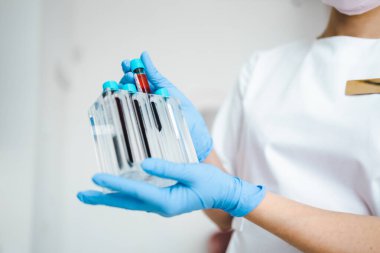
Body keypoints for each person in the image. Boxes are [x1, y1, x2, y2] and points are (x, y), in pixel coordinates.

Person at [78, 1, 380, 252]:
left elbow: (238, 198)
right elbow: (225, 214)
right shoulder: (264, 66)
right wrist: (197, 150)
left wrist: (244, 199)